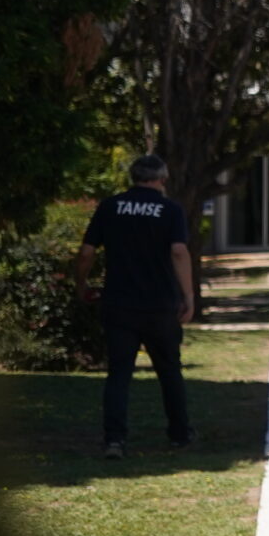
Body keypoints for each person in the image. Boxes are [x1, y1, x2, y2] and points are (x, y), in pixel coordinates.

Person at [71, 155, 195, 458]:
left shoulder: (110, 206)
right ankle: (179, 434)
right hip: (160, 305)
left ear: (133, 177)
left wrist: (81, 284)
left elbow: (87, 252)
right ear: (162, 180)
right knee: (169, 371)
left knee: (119, 374)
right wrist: (189, 296)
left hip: (119, 304)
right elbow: (178, 251)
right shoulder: (170, 209)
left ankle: (114, 440)